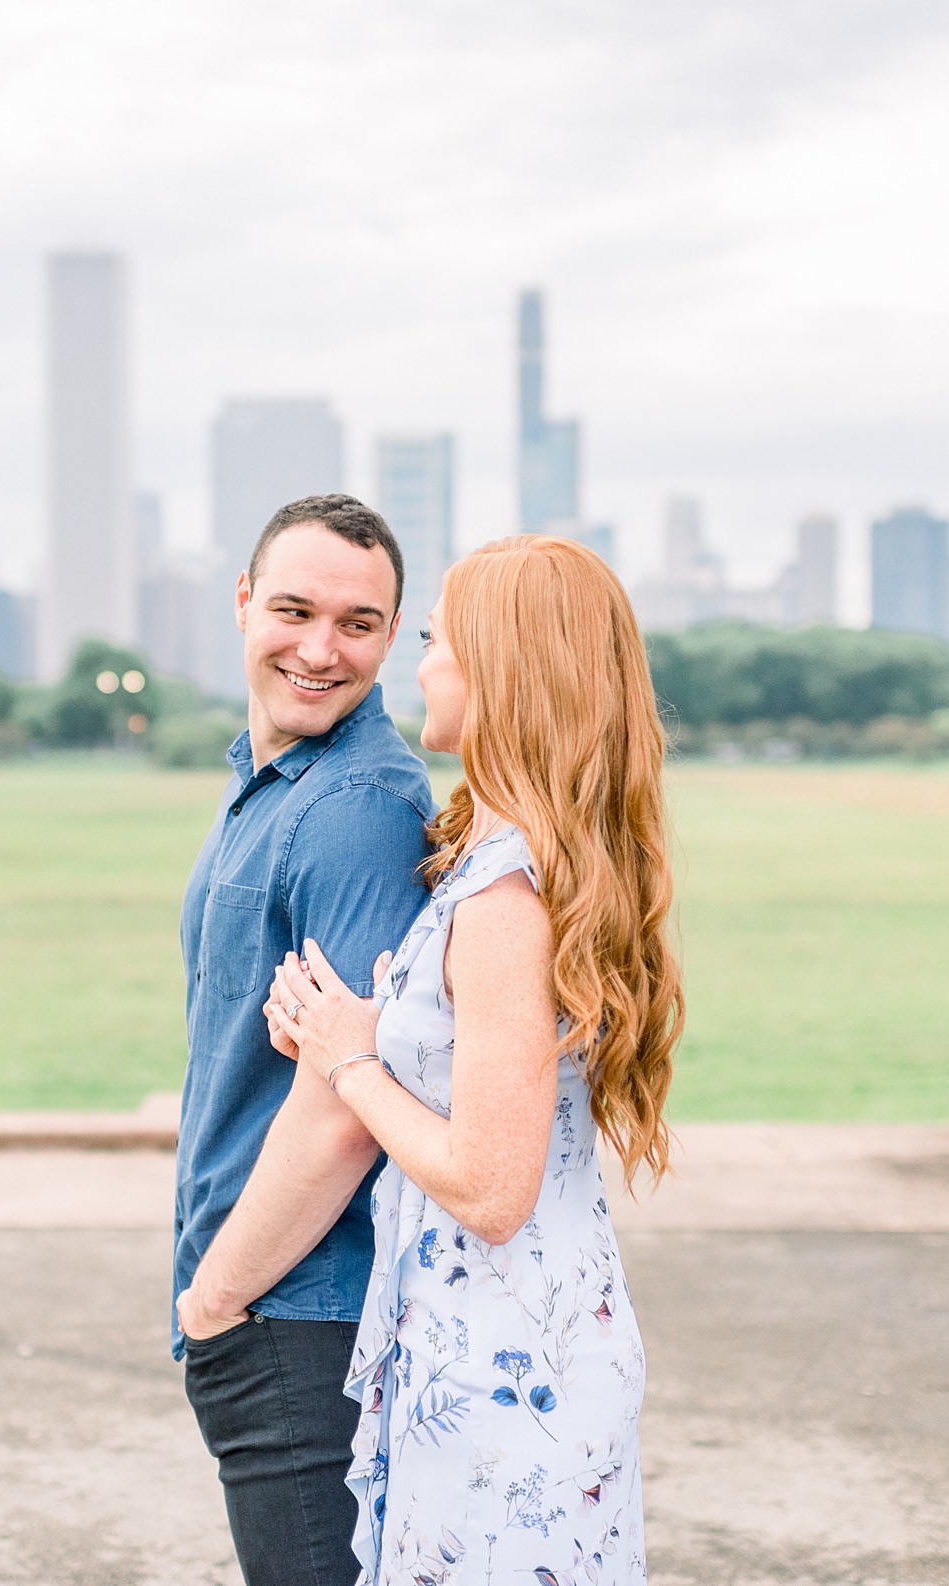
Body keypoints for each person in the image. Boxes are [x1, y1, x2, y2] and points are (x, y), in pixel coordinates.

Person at [264, 533, 682, 1586]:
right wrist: (339, 1031)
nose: (422, 664)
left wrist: (353, 1065)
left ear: (501, 670)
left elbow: (493, 1189)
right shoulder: (503, 860)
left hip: (509, 1383)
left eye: (438, 640)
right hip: (502, 1353)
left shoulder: (505, 898)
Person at [174, 493, 438, 1586]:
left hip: (300, 1311)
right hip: (268, 1305)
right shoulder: (274, 782)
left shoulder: (358, 809)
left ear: (390, 636)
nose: (322, 650)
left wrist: (218, 1297)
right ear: (243, 603)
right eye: (294, 610)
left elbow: (345, 1100)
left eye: (360, 625)